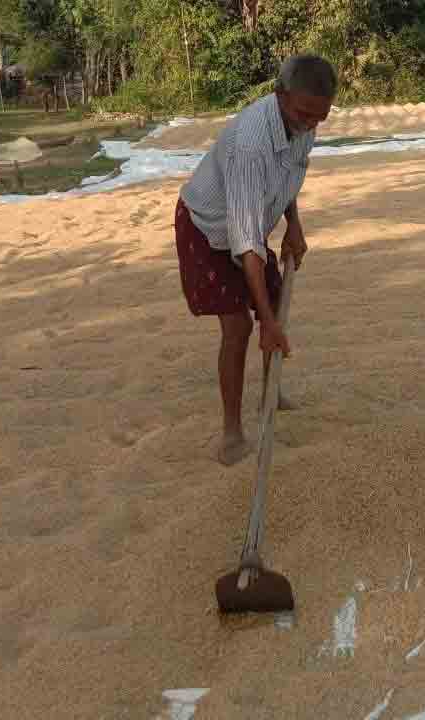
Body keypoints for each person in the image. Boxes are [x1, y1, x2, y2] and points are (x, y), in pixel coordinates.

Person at [174, 54, 337, 466]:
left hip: (249, 222)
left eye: (320, 117)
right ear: (280, 95)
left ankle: (270, 393)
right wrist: (265, 321)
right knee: (241, 326)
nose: (311, 124)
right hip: (207, 227)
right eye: (304, 114)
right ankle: (231, 433)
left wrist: (294, 225)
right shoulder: (251, 144)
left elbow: (288, 175)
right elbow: (246, 244)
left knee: (275, 307)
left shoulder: (303, 123)